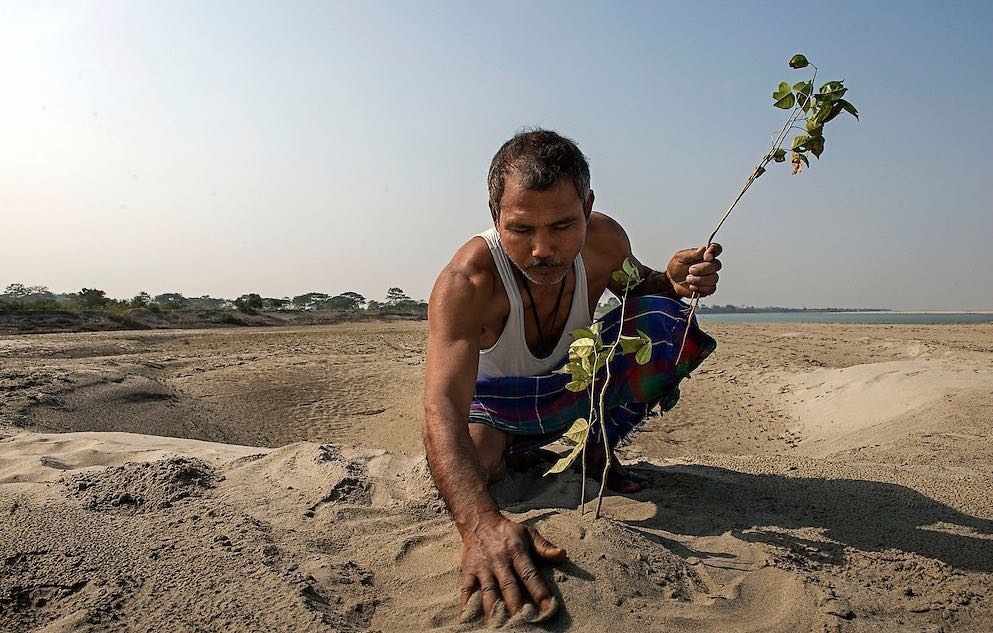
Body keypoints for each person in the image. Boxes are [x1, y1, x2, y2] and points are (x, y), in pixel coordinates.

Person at [422, 129, 722, 625]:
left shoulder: (605, 240)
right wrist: (479, 526)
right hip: (494, 405)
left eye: (563, 225)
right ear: (495, 213)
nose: (543, 249)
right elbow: (442, 407)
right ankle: (520, 450)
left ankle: (594, 451)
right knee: (478, 466)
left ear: (588, 205)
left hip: (573, 388)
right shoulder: (466, 282)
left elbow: (639, 285)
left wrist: (671, 279)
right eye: (520, 230)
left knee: (664, 317)